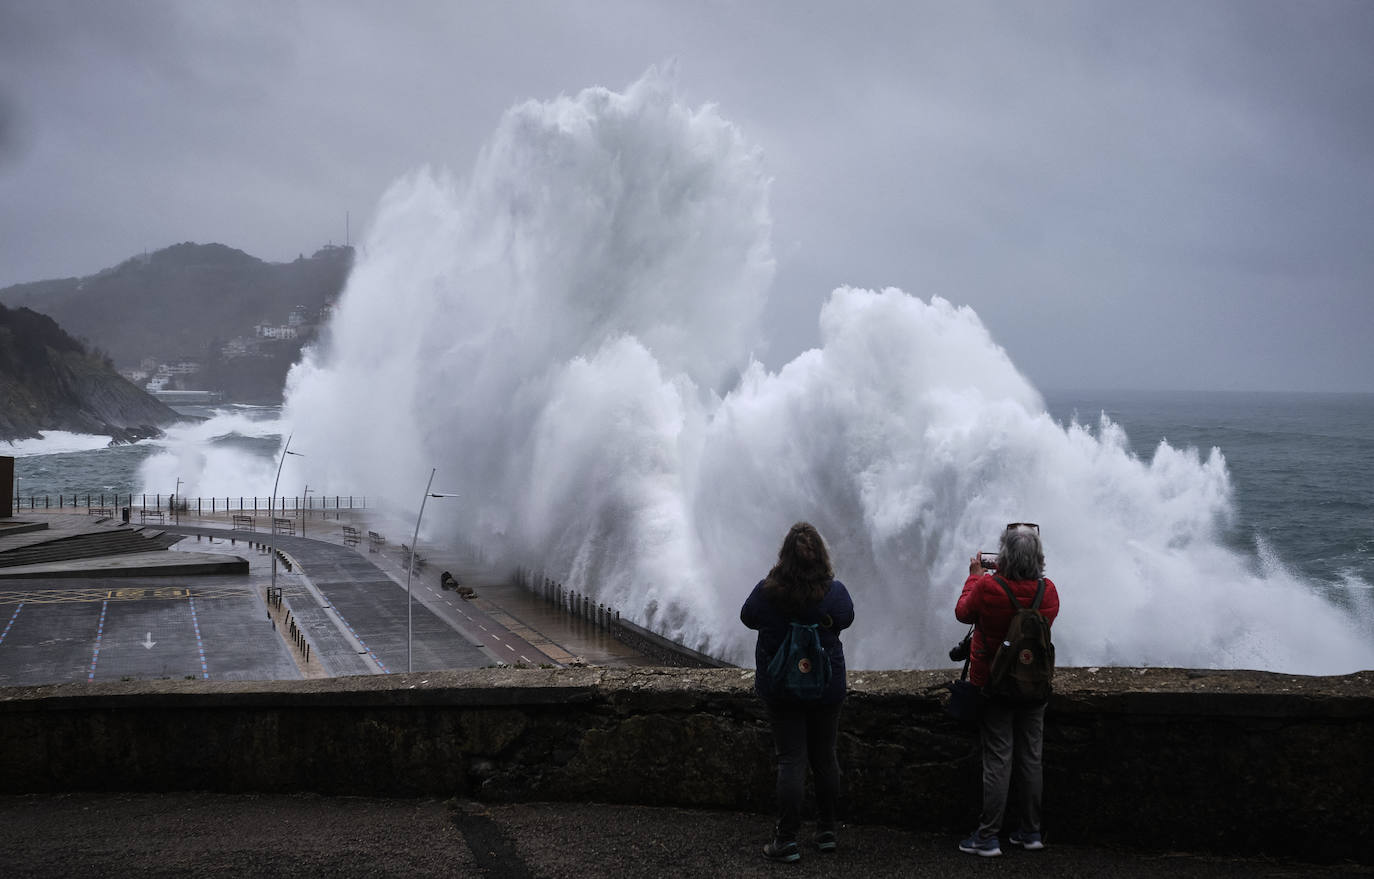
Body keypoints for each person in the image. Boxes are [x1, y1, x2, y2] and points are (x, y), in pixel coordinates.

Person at [740, 522, 855, 864]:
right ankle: (827, 832)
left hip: (782, 690)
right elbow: (847, 618)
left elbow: (747, 618)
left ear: (785, 558)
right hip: (825, 688)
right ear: (821, 557)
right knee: (824, 757)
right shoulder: (834, 593)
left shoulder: (767, 592)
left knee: (791, 759)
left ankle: (787, 840)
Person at [955, 522, 1060, 857]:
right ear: (1039, 557)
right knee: (1031, 758)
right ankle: (1030, 832)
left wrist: (975, 575)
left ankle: (987, 837)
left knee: (998, 759)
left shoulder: (988, 587)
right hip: (1034, 686)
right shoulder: (1049, 592)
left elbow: (963, 613)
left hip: (995, 685)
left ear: (1002, 556)